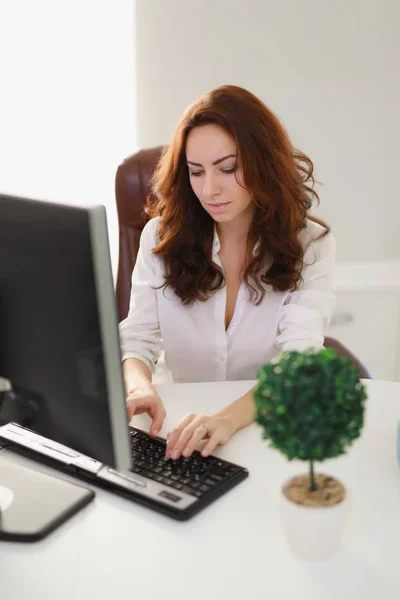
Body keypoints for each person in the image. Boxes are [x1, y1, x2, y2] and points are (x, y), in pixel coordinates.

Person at [119, 84, 336, 461]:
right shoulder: (161, 237)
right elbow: (137, 339)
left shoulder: (310, 245)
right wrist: (138, 387)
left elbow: (298, 362)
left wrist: (226, 421)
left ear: (261, 162)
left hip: (263, 428)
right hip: (175, 427)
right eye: (196, 172)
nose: (210, 190)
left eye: (228, 168)